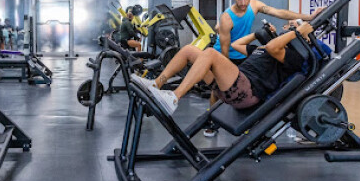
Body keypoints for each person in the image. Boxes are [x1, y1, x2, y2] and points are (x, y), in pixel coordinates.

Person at [134, 20, 316, 117]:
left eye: (292, 26)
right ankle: (156, 84)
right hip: (234, 84)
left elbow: (273, 47)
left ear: (303, 37)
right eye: (288, 26)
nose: (287, 28)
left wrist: (298, 32)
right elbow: (237, 44)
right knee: (189, 50)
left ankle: (174, 98)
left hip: (248, 90)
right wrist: (259, 33)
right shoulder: (263, 48)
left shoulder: (294, 56)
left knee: (211, 54)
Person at [205, 0, 315, 137]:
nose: (243, 3)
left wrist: (308, 17)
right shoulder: (227, 17)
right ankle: (211, 123)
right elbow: (225, 47)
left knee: (249, 90)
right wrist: (225, 67)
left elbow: (279, 12)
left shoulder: (254, 6)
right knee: (217, 90)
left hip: (242, 54)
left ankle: (247, 122)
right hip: (224, 54)